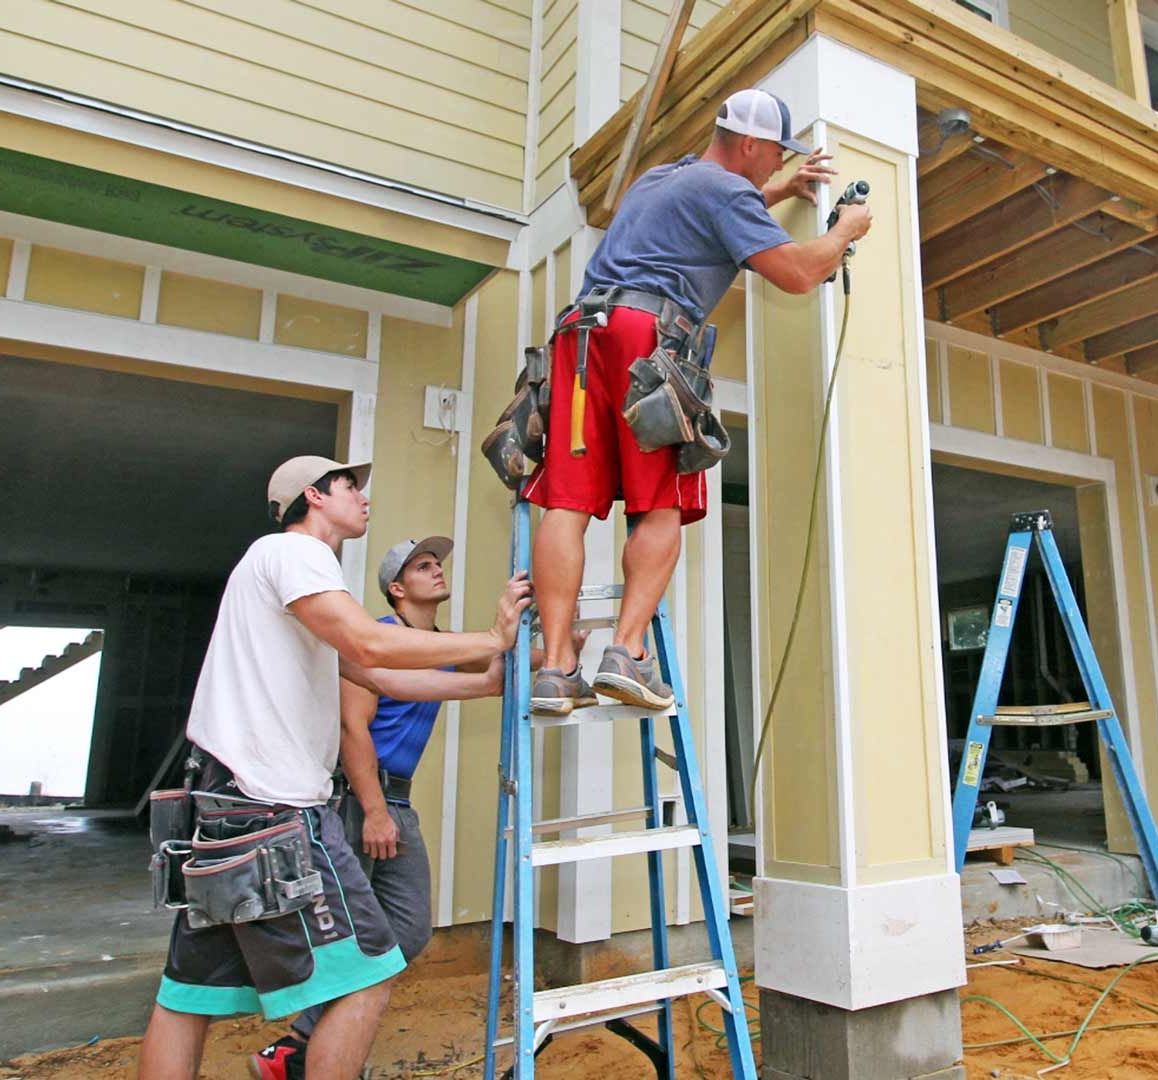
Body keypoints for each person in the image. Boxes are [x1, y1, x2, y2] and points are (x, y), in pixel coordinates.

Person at [138, 457, 531, 1080]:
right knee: (370, 975)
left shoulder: (283, 578)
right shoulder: (295, 555)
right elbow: (370, 645)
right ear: (314, 497)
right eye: (352, 485)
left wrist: (490, 680)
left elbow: (376, 676)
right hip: (273, 805)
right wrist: (491, 638)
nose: (364, 496)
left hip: (220, 803)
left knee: (189, 995)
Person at [522, 87, 872, 717]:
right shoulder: (727, 191)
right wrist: (845, 230)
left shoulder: (663, 179)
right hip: (644, 341)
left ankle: (555, 668)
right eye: (773, 156)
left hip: (580, 339)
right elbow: (795, 273)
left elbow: (712, 217)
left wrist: (783, 192)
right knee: (660, 501)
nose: (775, 165)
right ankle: (626, 652)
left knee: (567, 504)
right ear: (749, 144)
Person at [250, 536, 515, 1080]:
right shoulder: (382, 638)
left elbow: (492, 675)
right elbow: (353, 727)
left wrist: (563, 642)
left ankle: (301, 1045)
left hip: (398, 798)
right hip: (360, 798)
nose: (436, 571)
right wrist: (373, 810)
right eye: (422, 566)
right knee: (354, 934)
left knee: (409, 930)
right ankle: (299, 1054)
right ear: (397, 589)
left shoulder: (432, 646)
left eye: (437, 563)